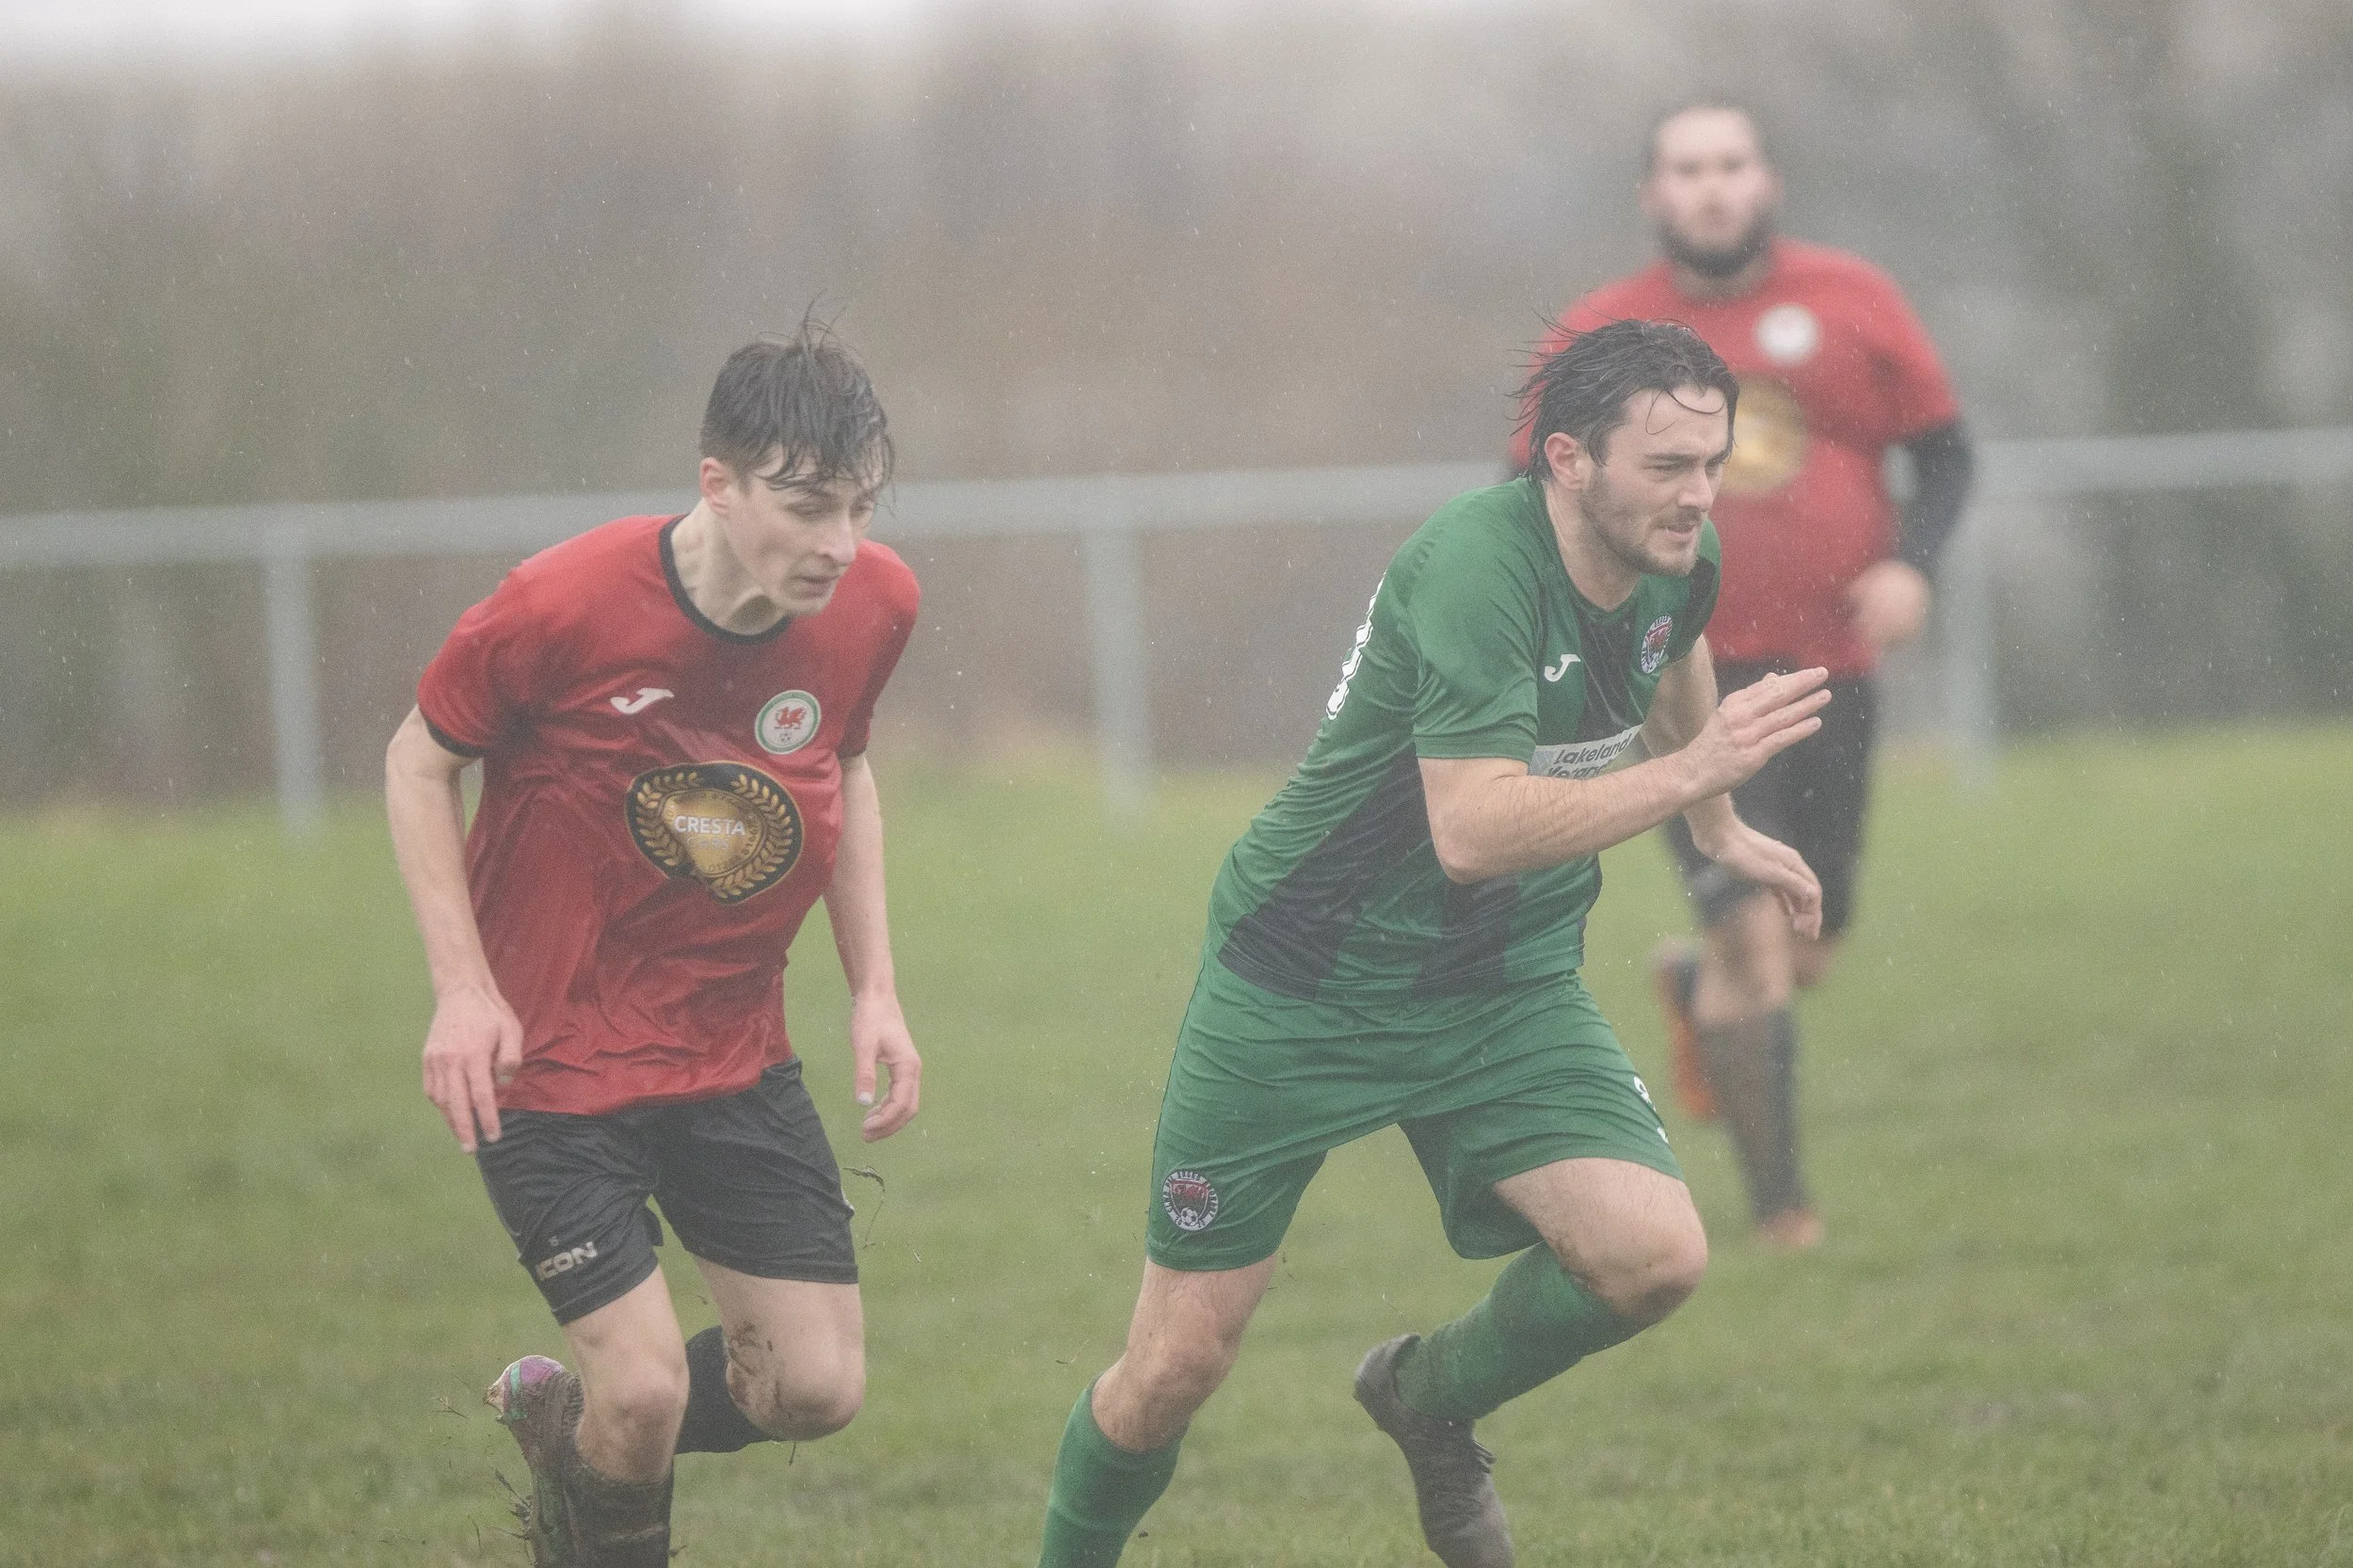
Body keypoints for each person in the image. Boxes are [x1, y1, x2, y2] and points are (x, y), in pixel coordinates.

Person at [1034, 319, 1833, 1568]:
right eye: (1668, 466)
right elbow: (1473, 829)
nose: (1699, 495)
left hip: (1499, 983)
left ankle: (1426, 1395)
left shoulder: (1680, 552)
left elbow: (1673, 651)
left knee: (1656, 1257)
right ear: (1569, 459)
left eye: (1713, 462)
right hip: (1303, 982)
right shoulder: (1473, 565)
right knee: (1174, 1366)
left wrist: (1720, 818)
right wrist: (1692, 777)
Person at [384, 324, 921, 1567]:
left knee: (816, 1387)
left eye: (857, 507)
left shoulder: (874, 603)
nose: (837, 543)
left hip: (732, 1054)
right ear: (716, 482)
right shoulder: (560, 604)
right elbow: (417, 759)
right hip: (551, 1063)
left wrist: (876, 988)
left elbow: (843, 765)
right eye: (804, 506)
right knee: (645, 1393)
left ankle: (564, 1438)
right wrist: (462, 989)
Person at [1521, 103, 1976, 1249]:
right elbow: (1538, 489)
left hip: (1830, 668)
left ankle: (1695, 995)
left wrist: (1912, 568)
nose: (1712, 187)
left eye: (1730, 165)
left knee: (1809, 945)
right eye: (1687, 169)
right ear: (1652, 194)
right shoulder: (1604, 331)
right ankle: (1783, 1215)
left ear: (1765, 178)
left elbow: (1948, 455)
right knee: (1754, 939)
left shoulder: (1853, 298)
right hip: (1680, 679)